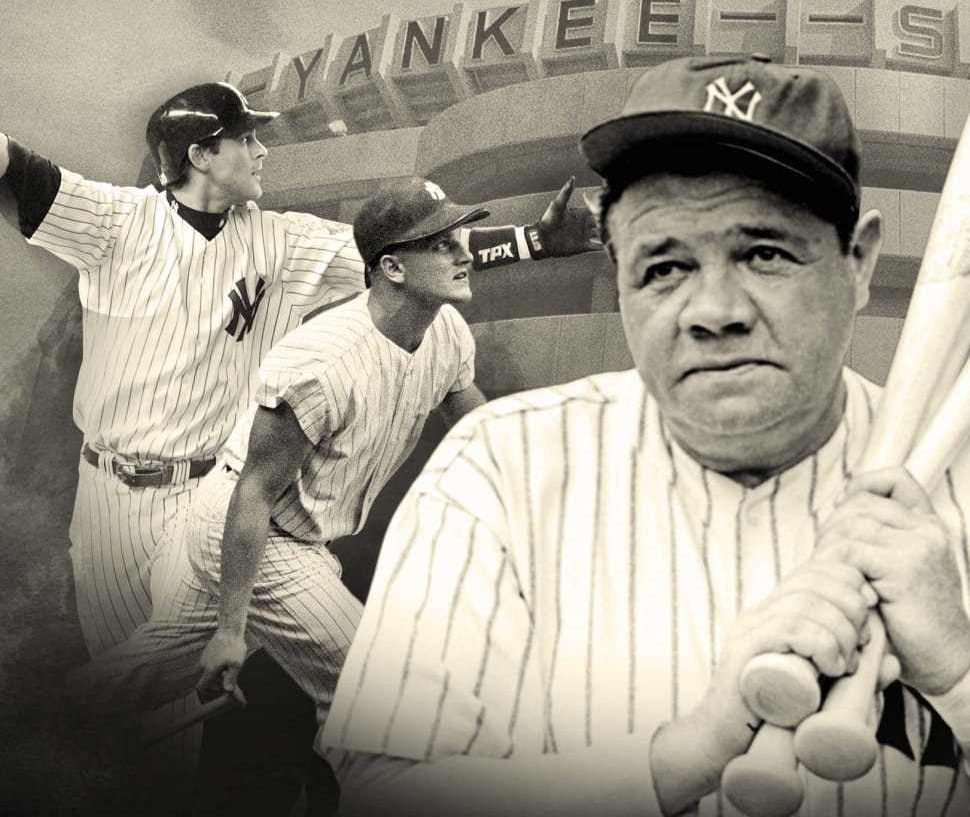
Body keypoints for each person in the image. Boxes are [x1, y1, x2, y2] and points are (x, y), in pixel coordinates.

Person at [318, 53, 970, 817]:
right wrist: (681, 755)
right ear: (621, 279)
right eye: (664, 266)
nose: (713, 312)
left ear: (857, 264)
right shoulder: (501, 470)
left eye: (765, 254)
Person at [0, 80, 596, 803]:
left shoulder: (281, 240)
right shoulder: (116, 223)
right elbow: (17, 171)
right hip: (125, 498)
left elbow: (400, 250)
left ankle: (37, 735)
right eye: (245, 137)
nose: (261, 149)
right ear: (199, 154)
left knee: (169, 695)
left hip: (227, 489)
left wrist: (537, 239)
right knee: (176, 720)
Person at [69, 175, 490, 756]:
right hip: (255, 532)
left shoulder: (445, 331)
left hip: (269, 528)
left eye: (459, 235)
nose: (465, 250)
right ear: (392, 268)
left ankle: (42, 721)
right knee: (369, 683)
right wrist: (231, 629)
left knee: (158, 671)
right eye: (442, 242)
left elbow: (478, 427)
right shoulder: (322, 362)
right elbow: (254, 494)